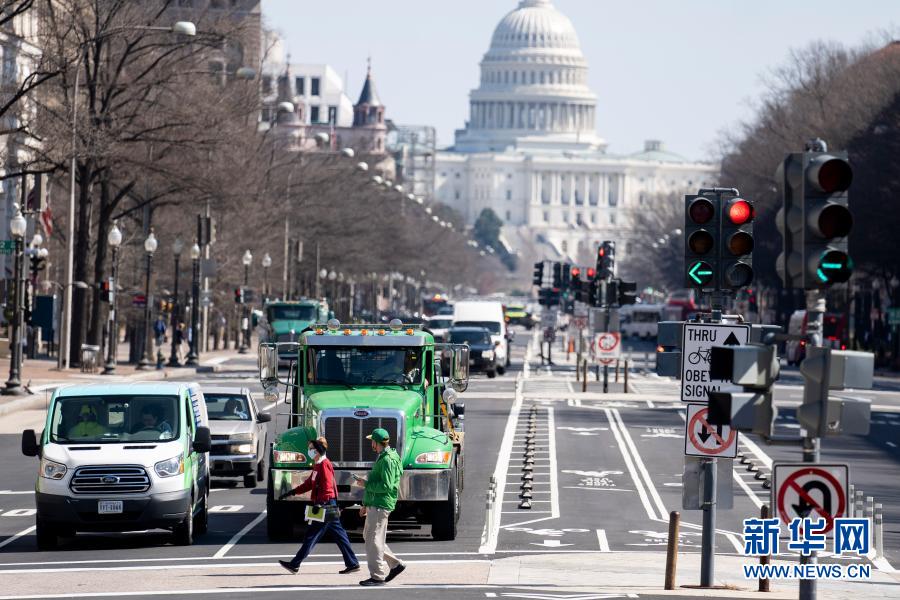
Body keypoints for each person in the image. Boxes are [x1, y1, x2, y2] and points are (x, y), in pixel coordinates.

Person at [277, 437, 360, 575]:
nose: (308, 451)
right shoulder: (318, 464)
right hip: (327, 503)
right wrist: (292, 492)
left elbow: (327, 486)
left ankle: (295, 564)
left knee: (312, 534)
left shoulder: (324, 464)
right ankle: (352, 563)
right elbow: (310, 483)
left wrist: (321, 504)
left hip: (325, 504)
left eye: (310, 448)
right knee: (339, 534)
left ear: (317, 450)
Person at [356, 428, 405, 586]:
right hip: (377, 503)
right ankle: (396, 565)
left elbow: (386, 485)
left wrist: (366, 484)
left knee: (373, 540)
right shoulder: (387, 457)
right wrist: (366, 504)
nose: (371, 443)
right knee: (371, 538)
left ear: (377, 442)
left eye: (372, 441)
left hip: (380, 504)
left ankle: (377, 576)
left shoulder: (386, 460)